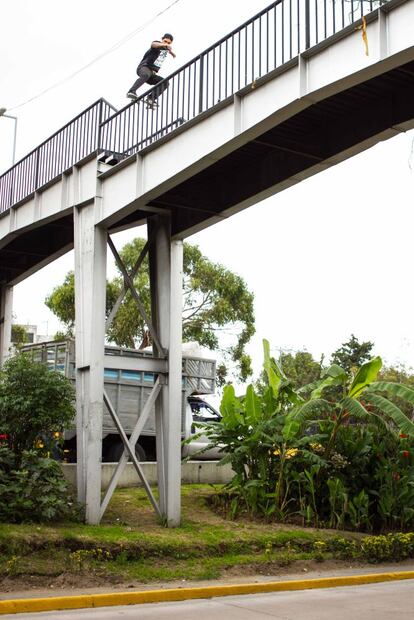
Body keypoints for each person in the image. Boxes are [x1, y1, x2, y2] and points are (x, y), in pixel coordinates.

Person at [126, 34, 176, 108]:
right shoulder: (157, 45)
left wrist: (172, 53)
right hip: (143, 68)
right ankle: (131, 91)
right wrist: (163, 44)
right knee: (146, 74)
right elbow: (153, 44)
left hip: (151, 74)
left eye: (168, 43)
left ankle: (151, 99)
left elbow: (168, 51)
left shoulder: (165, 50)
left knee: (165, 82)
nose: (166, 44)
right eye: (165, 41)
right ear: (162, 40)